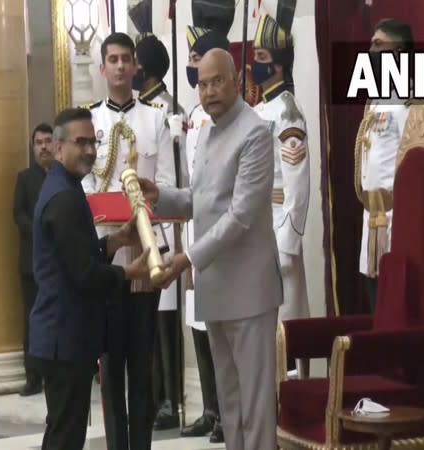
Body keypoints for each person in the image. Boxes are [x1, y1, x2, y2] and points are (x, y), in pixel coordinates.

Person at [137, 49, 282, 450]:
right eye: (202, 83)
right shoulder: (208, 130)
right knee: (229, 404)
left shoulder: (255, 131)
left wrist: (187, 258)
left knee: (255, 405)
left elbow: (240, 217)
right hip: (215, 287)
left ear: (237, 81)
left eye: (217, 81)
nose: (209, 91)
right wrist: (161, 197)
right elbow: (202, 199)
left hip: (249, 291)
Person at [27, 107, 150, 450]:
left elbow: (72, 255)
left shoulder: (63, 186)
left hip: (60, 335)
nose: (89, 150)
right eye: (80, 142)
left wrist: (114, 241)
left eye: (92, 142)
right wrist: (129, 272)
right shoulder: (64, 197)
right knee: (66, 436)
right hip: (64, 337)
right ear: (57, 147)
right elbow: (83, 275)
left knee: (61, 432)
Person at [81, 32, 176, 450]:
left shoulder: (156, 118)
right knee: (110, 362)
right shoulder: (89, 122)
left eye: (126, 60)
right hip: (107, 250)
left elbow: (169, 185)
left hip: (146, 248)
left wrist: (162, 248)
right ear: (102, 68)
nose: (120, 67)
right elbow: (84, 185)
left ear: (136, 66)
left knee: (142, 363)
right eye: (112, 60)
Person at [132, 32, 187, 431]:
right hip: (143, 227)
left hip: (166, 227)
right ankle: (153, 396)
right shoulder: (142, 108)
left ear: (145, 68)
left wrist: (170, 233)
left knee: (166, 327)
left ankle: (171, 398)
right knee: (149, 329)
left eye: (133, 61)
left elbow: (174, 177)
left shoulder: (166, 110)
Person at [179, 25, 230, 443]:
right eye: (197, 68)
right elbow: (192, 189)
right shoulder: (195, 120)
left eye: (214, 78)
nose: (203, 82)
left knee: (228, 340)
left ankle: (230, 416)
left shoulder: (246, 123)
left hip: (225, 249)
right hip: (197, 240)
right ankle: (212, 409)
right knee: (201, 330)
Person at [251, 15, 310, 329]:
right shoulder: (259, 110)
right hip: (258, 226)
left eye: (261, 58)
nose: (254, 65)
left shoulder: (288, 113)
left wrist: (288, 243)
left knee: (285, 324)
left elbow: (297, 185)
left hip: (278, 226)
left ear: (277, 64)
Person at [354, 19, 414, 311]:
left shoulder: (410, 101)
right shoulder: (376, 100)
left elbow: (414, 161)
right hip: (372, 219)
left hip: (396, 220)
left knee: (395, 308)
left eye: (379, 44)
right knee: (375, 304)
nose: (371, 50)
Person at [13, 122, 53, 396]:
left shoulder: (63, 176)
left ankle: (54, 372)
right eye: (39, 142)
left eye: (48, 141)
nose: (43, 147)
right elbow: (18, 214)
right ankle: (33, 376)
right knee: (32, 320)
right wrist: (39, 231)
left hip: (59, 263)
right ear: (33, 146)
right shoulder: (25, 178)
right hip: (31, 262)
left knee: (56, 318)